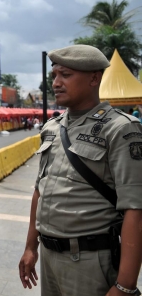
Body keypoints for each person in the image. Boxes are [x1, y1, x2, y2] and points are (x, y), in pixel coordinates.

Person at [18, 45, 142, 296]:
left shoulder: (120, 129)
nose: (56, 83)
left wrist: (124, 286)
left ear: (94, 78)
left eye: (66, 75)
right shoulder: (52, 127)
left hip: (89, 261)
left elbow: (135, 209)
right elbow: (39, 191)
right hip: (50, 256)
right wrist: (31, 247)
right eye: (54, 76)